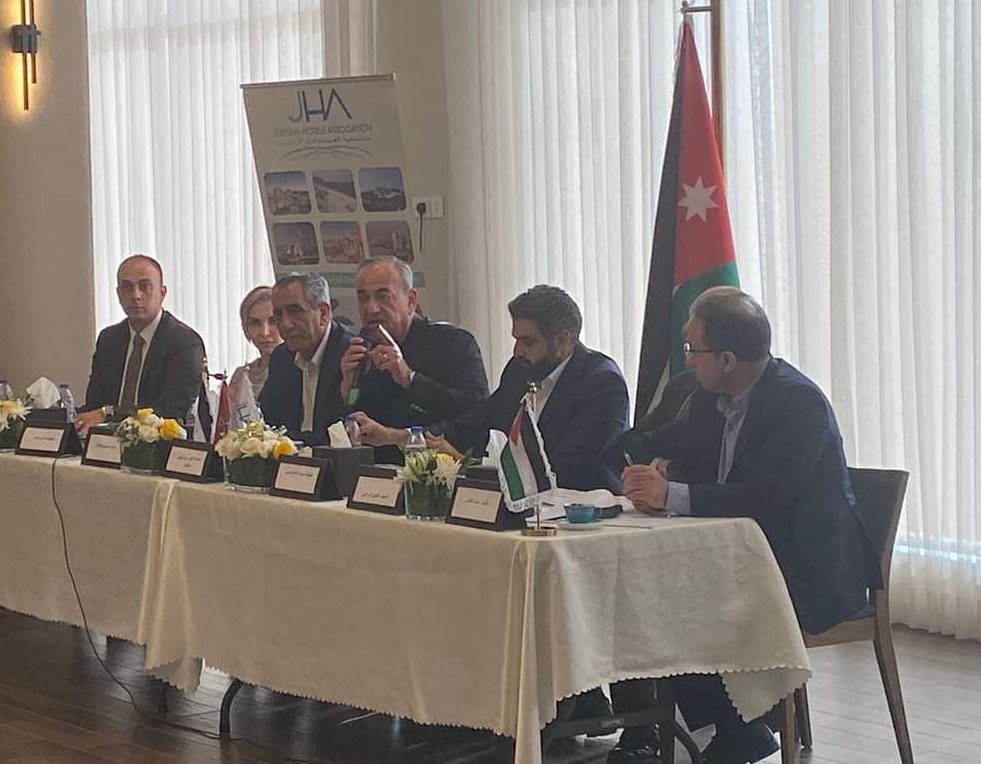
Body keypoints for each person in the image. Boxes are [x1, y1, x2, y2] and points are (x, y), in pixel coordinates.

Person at [622, 286, 880, 764]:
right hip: (737, 557)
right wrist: (657, 484)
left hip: (806, 566)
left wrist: (673, 494)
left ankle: (742, 727)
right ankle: (686, 728)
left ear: (726, 360)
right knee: (645, 590)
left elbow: (768, 498)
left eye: (692, 349)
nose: (687, 360)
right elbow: (690, 468)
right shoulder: (707, 397)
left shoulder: (797, 402)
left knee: (683, 600)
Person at [427, 284, 630, 495]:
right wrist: (418, 438)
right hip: (520, 505)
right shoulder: (519, 370)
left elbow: (565, 470)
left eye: (528, 342)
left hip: (583, 507)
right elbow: (476, 422)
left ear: (562, 340)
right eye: (516, 340)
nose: (517, 352)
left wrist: (468, 465)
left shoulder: (603, 384)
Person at [343, 257, 489, 458]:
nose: (371, 308)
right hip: (375, 471)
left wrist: (409, 379)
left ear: (410, 301)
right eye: (363, 298)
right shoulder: (365, 348)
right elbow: (351, 431)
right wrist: (348, 389)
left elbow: (475, 417)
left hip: (440, 468)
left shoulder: (455, 342)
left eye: (383, 297)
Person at [76, 254, 205, 434]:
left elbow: (170, 411)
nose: (136, 295)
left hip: (158, 443)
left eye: (144, 286)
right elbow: (94, 404)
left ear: (162, 293)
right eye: (127, 287)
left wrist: (109, 414)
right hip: (104, 442)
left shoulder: (185, 343)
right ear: (118, 294)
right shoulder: (108, 339)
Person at [258, 273, 353, 445]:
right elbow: (266, 425)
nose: (286, 324)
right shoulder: (282, 357)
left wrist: (289, 441)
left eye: (295, 311)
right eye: (278, 315)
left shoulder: (351, 354)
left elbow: (342, 434)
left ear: (323, 313)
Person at [227, 286, 281, 426]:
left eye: (273, 321)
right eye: (255, 323)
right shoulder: (240, 375)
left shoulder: (299, 369)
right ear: (246, 330)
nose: (265, 332)